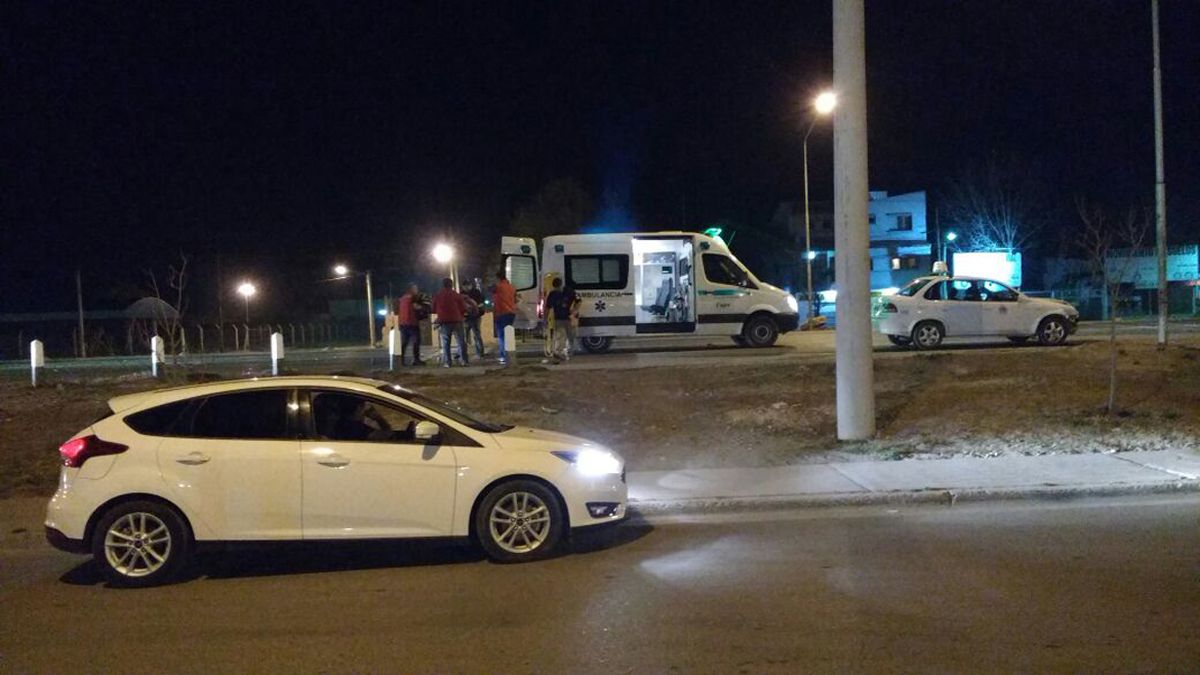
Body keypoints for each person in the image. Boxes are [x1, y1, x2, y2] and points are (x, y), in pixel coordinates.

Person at [432, 277, 468, 367]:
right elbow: (463, 307)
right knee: (461, 341)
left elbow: (433, 308)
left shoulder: (438, 295)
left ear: (443, 285)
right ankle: (463, 360)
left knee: (446, 342)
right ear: (451, 285)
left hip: (444, 321)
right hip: (456, 320)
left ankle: (448, 362)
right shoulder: (456, 295)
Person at [492, 270, 517, 365]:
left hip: (502, 313)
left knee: (502, 336)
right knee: (509, 334)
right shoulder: (511, 287)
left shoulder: (499, 287)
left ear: (498, 278)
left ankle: (504, 356)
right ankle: (510, 356)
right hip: (511, 313)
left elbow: (492, 291)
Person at [396, 284, 424, 366]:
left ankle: (400, 360)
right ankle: (416, 360)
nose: (417, 290)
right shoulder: (413, 298)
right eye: (415, 289)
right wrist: (423, 308)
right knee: (416, 341)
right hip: (412, 323)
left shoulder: (402, 299)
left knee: (404, 342)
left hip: (403, 323)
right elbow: (417, 307)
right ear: (411, 290)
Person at [543, 277, 569, 363]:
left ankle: (558, 352)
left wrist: (545, 319)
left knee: (560, 335)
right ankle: (560, 353)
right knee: (562, 336)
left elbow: (547, 307)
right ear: (561, 284)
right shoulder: (565, 292)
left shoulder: (552, 294)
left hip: (559, 317)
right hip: (565, 318)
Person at [460, 281, 486, 360]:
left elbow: (482, 303)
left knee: (476, 335)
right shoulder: (461, 294)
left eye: (467, 285)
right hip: (466, 318)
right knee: (464, 336)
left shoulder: (476, 292)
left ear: (471, 285)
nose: (466, 287)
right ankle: (463, 353)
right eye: (464, 286)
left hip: (475, 317)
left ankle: (480, 352)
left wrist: (474, 308)